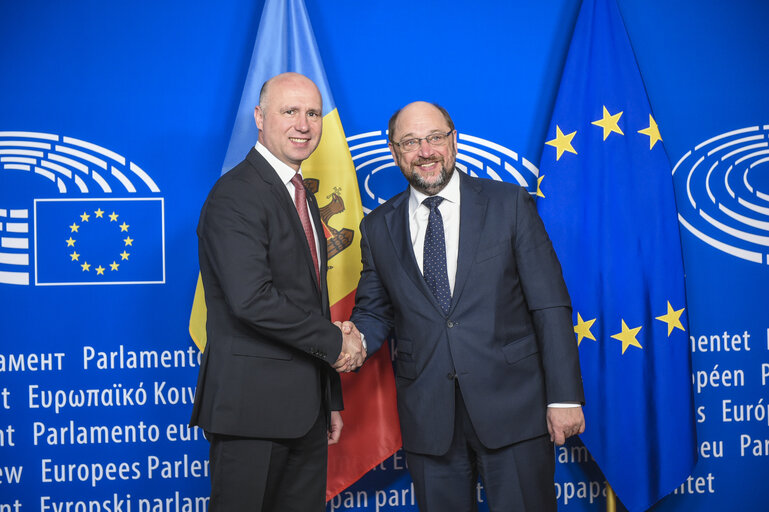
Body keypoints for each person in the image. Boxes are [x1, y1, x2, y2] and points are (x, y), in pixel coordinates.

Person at [346, 101, 585, 511]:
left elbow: (549, 304)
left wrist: (564, 397)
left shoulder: (508, 203)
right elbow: (375, 310)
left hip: (514, 408)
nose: (425, 151)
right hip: (429, 418)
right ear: (394, 151)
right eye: (410, 142)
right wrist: (353, 341)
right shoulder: (377, 226)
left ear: (453, 141)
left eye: (435, 138)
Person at [190, 72, 365, 512]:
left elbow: (310, 301)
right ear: (260, 118)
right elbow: (252, 299)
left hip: (305, 411)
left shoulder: (300, 193)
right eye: (289, 111)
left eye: (312, 113)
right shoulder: (236, 195)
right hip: (252, 413)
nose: (303, 124)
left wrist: (328, 397)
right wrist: (336, 345)